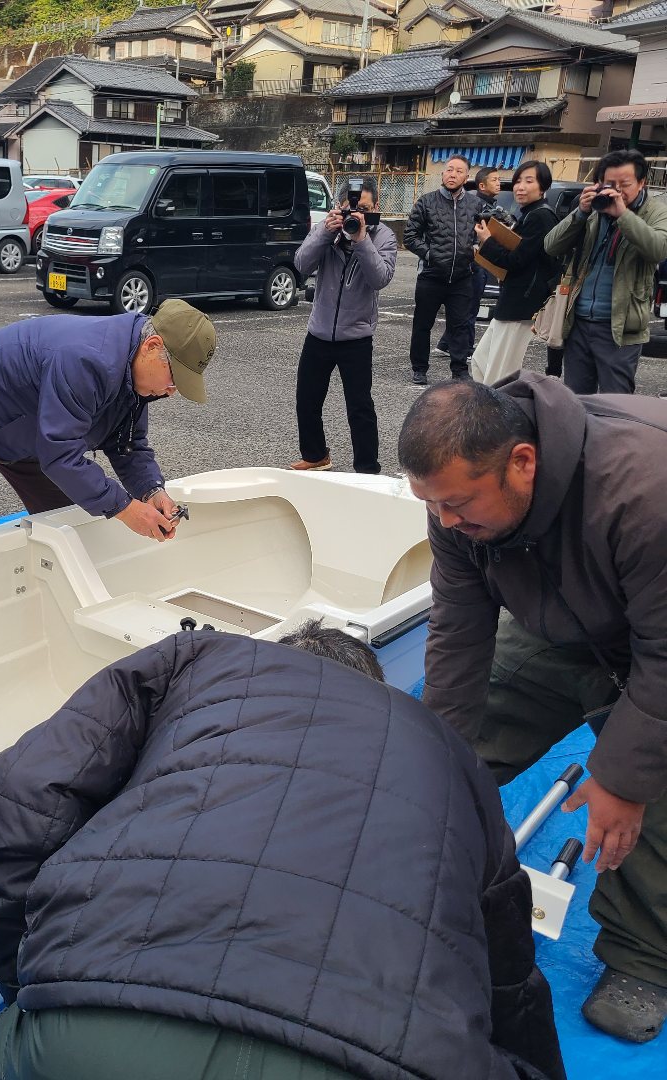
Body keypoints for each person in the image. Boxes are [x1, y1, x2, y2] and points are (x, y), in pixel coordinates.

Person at [0, 623, 565, 1080]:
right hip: (386, 1057)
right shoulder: (452, 755)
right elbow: (509, 974)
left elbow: (26, 799)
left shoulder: (196, 659)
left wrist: (29, 980)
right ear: (376, 686)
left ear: (280, 656)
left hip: (96, 1025)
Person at [397, 375, 667, 1043]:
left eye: (457, 503)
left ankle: (643, 956)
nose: (444, 521)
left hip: (655, 634)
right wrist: (441, 759)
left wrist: (622, 781)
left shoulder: (646, 493)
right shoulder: (455, 502)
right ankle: (407, 865)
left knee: (649, 790)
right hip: (566, 622)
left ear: (522, 462)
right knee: (440, 755)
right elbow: (459, 633)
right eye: (432, 505)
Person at [0, 300, 216, 547]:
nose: (171, 391)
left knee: (64, 522)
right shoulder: (86, 360)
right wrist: (126, 509)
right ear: (152, 346)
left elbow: (127, 444)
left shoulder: (135, 370)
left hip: (31, 433)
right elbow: (60, 454)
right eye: (174, 379)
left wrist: (152, 490)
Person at [289, 177, 397, 473]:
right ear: (339, 206)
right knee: (307, 400)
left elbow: (380, 279)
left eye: (365, 209)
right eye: (351, 208)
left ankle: (367, 469)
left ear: (376, 207)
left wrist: (361, 240)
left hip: (357, 336)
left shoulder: (384, 236)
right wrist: (326, 232)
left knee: (360, 407)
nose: (357, 214)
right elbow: (301, 264)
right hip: (319, 331)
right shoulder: (328, 229)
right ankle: (315, 455)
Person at [543, 149, 667, 394]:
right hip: (578, 321)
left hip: (620, 329)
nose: (616, 191)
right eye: (610, 184)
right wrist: (580, 212)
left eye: (625, 184)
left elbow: (659, 250)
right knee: (578, 400)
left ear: (642, 182)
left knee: (616, 403)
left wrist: (623, 215)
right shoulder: (592, 211)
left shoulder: (655, 212)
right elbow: (551, 246)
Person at [470, 161, 560, 385]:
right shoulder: (530, 214)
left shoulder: (541, 217)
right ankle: (491, 403)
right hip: (513, 300)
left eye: (529, 181)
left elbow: (516, 260)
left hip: (522, 304)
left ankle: (498, 407)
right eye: (518, 181)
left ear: (543, 187)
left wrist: (488, 241)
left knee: (500, 373)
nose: (520, 187)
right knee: (481, 361)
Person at [404, 155, 478, 384]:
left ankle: (459, 369)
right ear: (443, 173)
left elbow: (486, 232)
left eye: (459, 171)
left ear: (467, 177)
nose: (452, 174)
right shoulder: (426, 202)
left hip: (462, 277)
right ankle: (419, 368)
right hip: (431, 276)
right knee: (422, 325)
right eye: (449, 169)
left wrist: (477, 247)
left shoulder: (476, 205)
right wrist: (430, 255)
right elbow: (410, 236)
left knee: (460, 326)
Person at [439, 166, 502, 357]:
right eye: (494, 180)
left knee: (467, 306)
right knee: (469, 307)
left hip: (477, 262)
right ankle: (464, 347)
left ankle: (447, 343)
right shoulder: (477, 207)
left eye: (499, 179)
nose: (498, 183)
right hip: (473, 262)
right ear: (482, 185)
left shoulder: (488, 206)